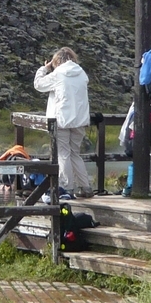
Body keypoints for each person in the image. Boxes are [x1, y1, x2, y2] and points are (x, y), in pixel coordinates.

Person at [33, 47, 93, 199]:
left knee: (63, 154)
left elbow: (38, 84)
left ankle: (67, 187)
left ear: (56, 61)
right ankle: (85, 187)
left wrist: (44, 69)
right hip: (79, 121)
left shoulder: (58, 74)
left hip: (61, 120)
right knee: (75, 154)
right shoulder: (81, 73)